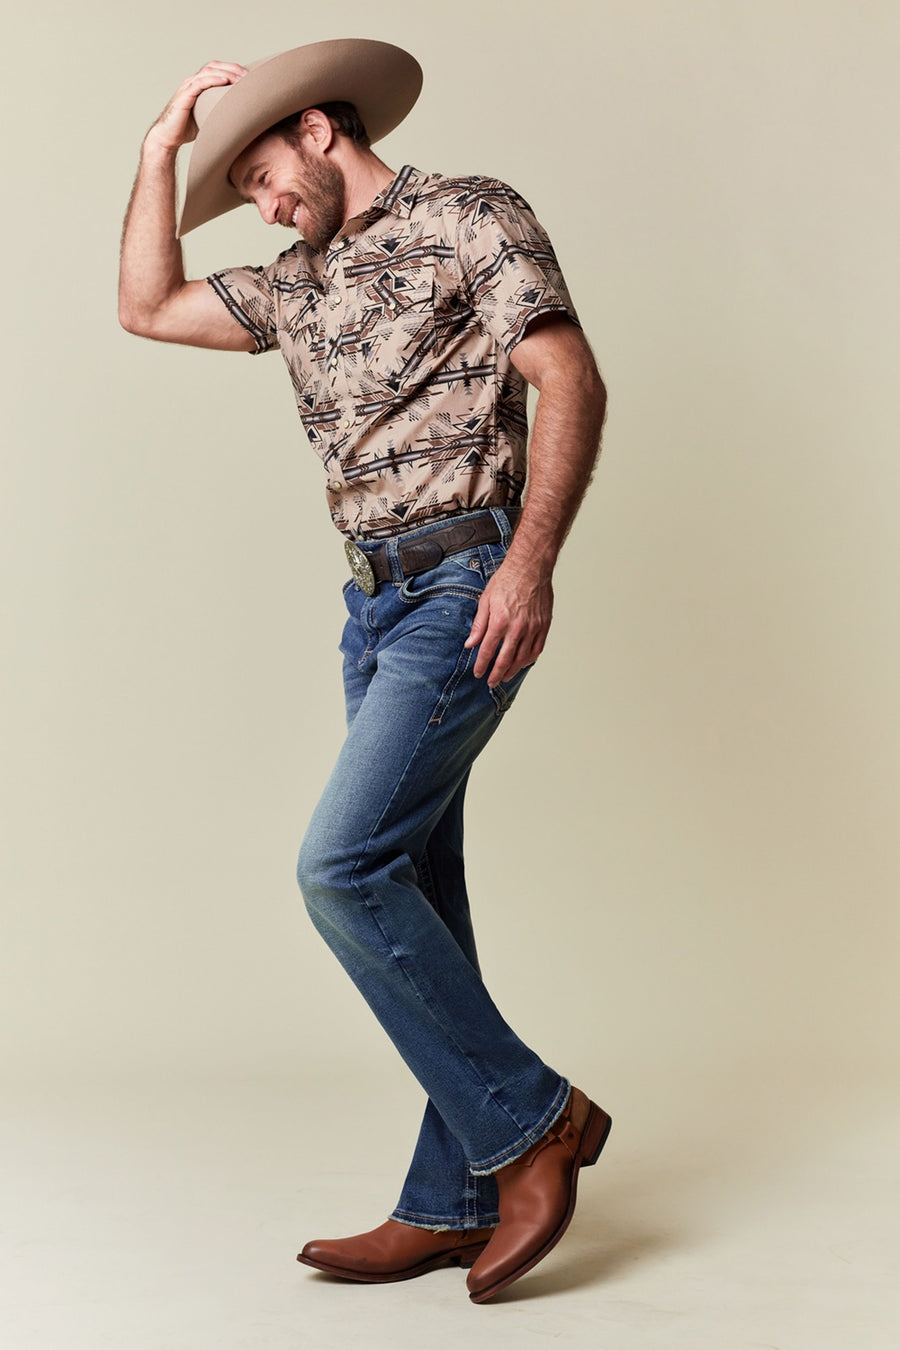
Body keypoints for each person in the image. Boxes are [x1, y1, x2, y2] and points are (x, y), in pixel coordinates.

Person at [119, 39, 609, 1304]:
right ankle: (451, 1201)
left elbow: (568, 376)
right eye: (245, 195)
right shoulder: (293, 284)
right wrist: (160, 150)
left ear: (321, 130)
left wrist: (530, 565)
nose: (265, 208)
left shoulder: (468, 214)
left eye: (266, 178)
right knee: (419, 891)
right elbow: (145, 305)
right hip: (372, 609)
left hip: (465, 583)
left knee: (339, 868)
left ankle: (538, 1121)